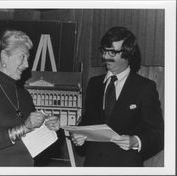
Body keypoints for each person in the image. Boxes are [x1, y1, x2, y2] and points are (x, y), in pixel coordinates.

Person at [70, 26, 164, 166]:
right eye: (104, 51)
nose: (105, 57)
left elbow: (158, 134)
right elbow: (88, 122)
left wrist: (136, 141)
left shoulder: (145, 87)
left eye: (112, 52)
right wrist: (79, 137)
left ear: (127, 53)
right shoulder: (94, 84)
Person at [0, 30, 60, 166]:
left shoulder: (25, 95)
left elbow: (31, 137)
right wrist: (23, 128)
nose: (27, 65)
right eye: (22, 57)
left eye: (27, 59)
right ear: (5, 56)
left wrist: (47, 127)